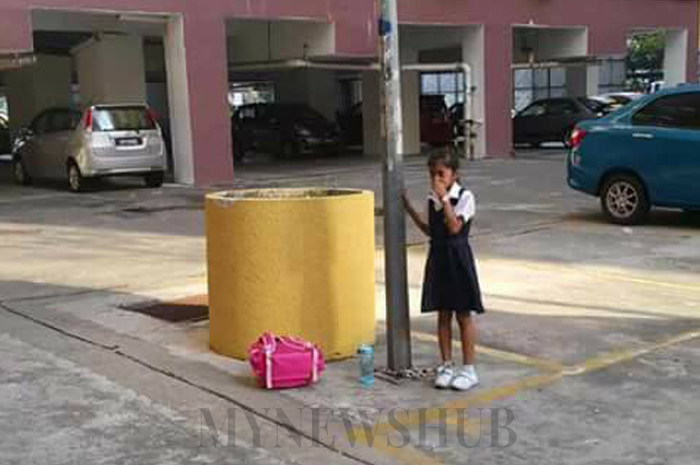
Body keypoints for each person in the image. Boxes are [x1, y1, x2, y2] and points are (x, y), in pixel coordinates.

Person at [403, 148, 485, 391]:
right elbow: (433, 230)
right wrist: (409, 207)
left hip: (457, 257)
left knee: (463, 314)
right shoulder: (433, 198)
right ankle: (446, 363)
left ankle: (469, 369)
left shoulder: (465, 197)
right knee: (443, 314)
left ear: (454, 174)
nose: (436, 179)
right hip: (438, 256)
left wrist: (445, 199)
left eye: (441, 173)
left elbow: (454, 228)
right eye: (432, 174)